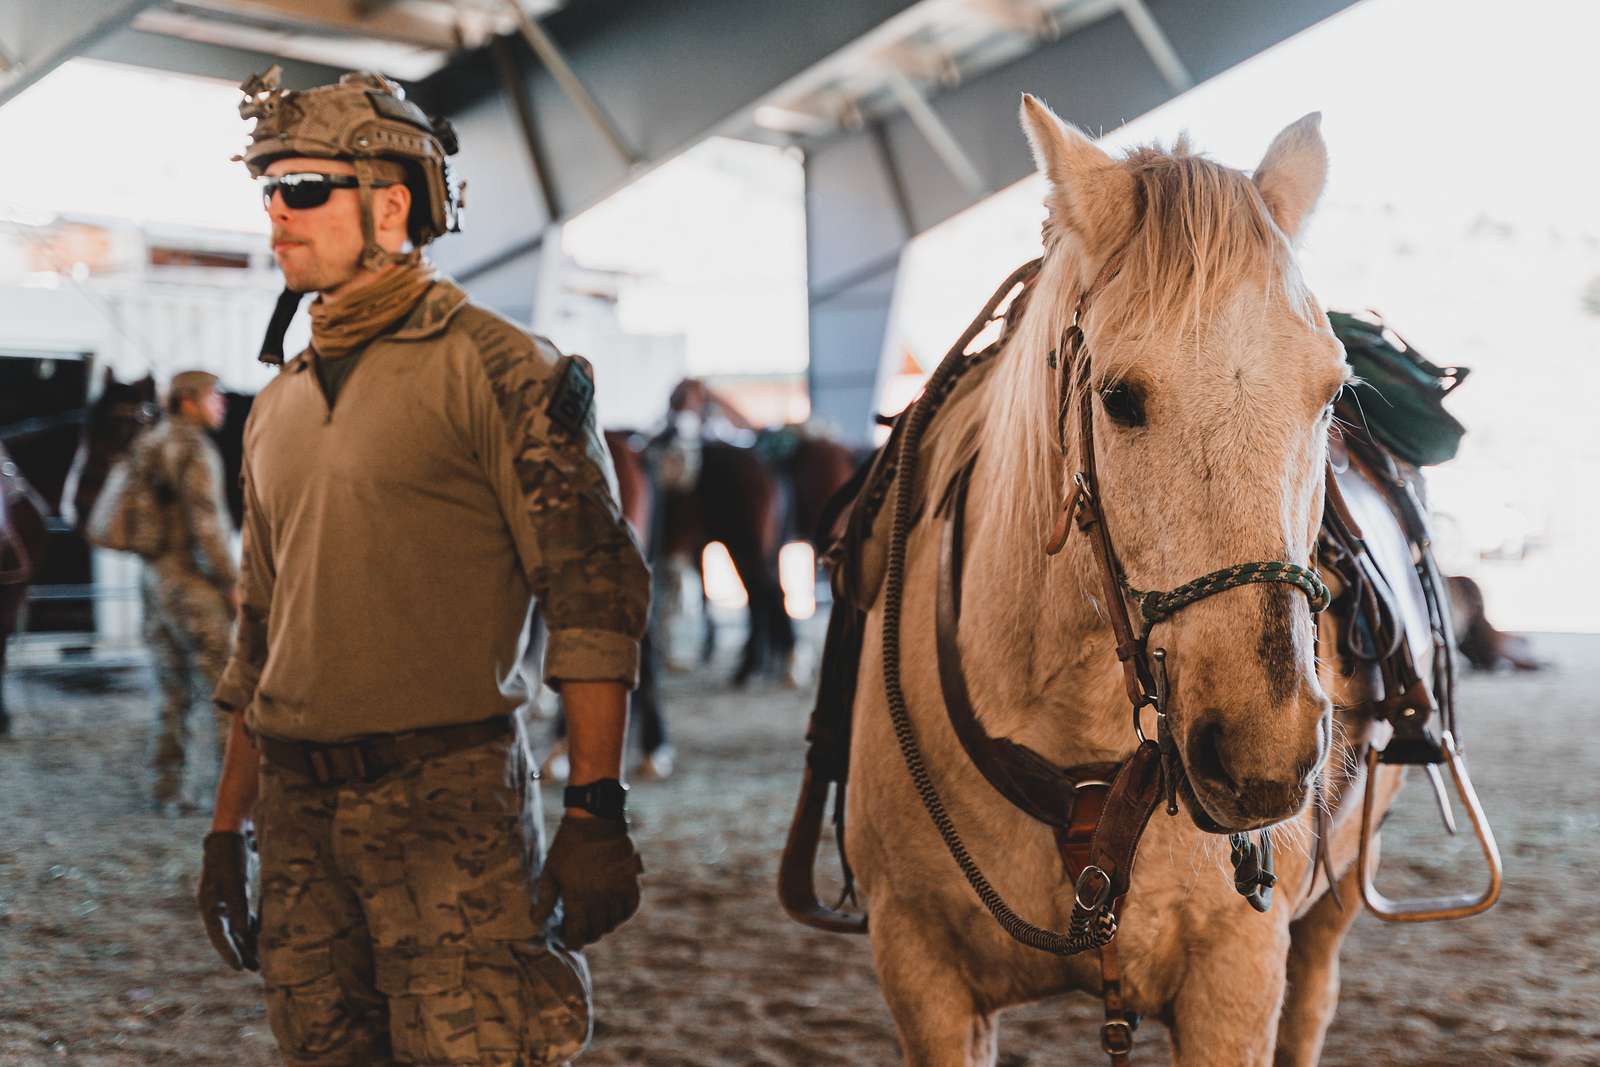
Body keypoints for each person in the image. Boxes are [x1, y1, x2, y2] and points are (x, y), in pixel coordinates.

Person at [196, 68, 651, 1065]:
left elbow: (592, 594)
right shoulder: (275, 407)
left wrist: (595, 806)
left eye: (305, 186)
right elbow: (256, 638)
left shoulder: (503, 370)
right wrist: (228, 828)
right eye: (267, 188)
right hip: (299, 816)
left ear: (391, 204)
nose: (278, 212)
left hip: (447, 809)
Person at [140, 369, 235, 813]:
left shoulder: (150, 442)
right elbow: (208, 528)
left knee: (170, 689)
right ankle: (231, 796)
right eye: (215, 396)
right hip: (191, 584)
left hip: (154, 580)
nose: (222, 405)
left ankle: (167, 788)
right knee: (225, 689)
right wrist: (232, 583)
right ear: (189, 401)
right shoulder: (195, 449)